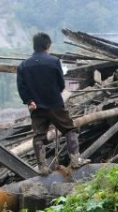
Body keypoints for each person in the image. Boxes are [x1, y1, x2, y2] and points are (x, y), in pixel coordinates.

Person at [17, 32, 88, 175]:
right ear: (47, 45)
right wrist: (54, 94)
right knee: (69, 129)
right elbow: (61, 84)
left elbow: (21, 87)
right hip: (54, 104)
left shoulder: (23, 65)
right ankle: (75, 160)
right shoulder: (54, 61)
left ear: (34, 46)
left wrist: (29, 101)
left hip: (36, 106)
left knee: (39, 136)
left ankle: (42, 167)